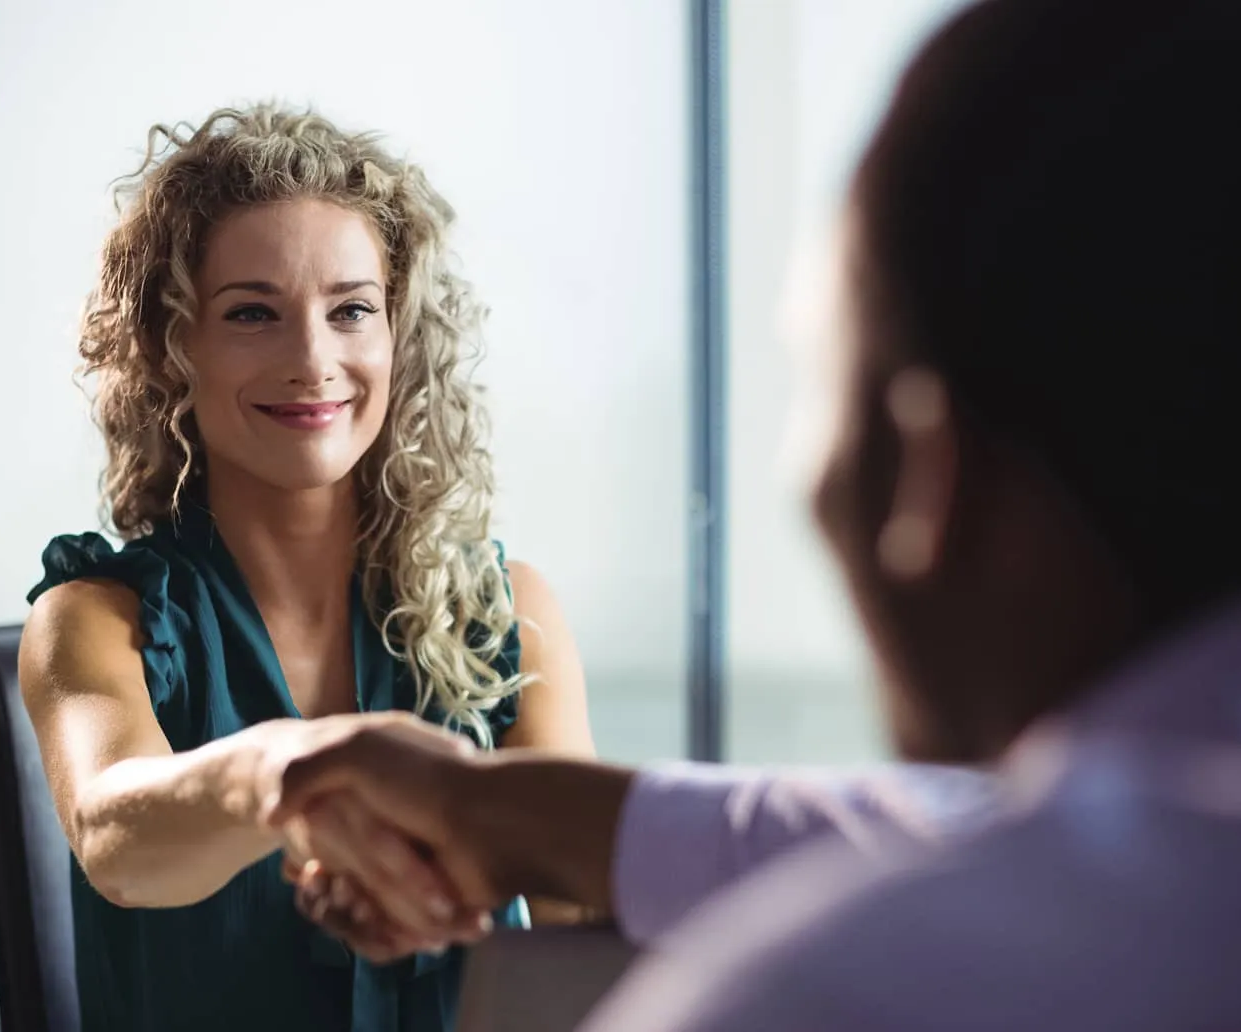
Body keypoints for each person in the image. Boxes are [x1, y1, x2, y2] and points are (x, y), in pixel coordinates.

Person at [266, 0, 1241, 1027]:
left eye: (812, 383)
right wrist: (500, 811)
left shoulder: (803, 997)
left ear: (926, 473)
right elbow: (991, 827)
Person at [16, 105, 606, 1032]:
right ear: (173, 350)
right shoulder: (94, 619)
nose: (312, 359)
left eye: (352, 311)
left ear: (399, 339)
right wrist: (298, 775)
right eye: (252, 313)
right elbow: (116, 839)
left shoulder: (510, 610)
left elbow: (581, 923)